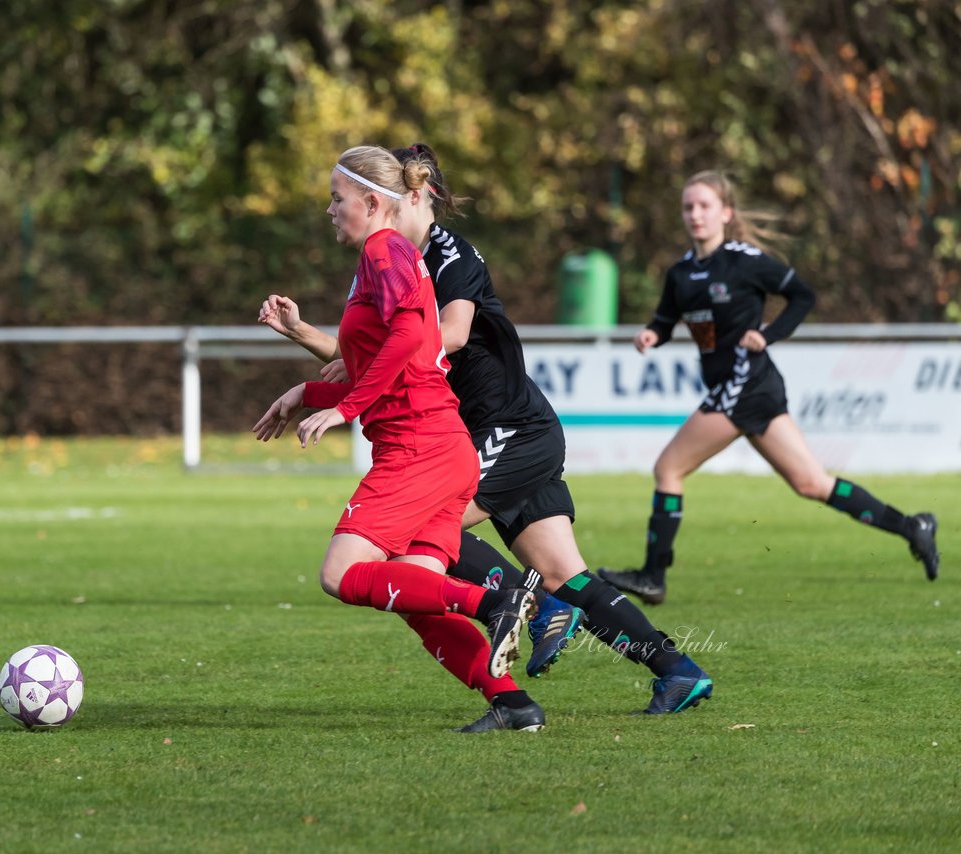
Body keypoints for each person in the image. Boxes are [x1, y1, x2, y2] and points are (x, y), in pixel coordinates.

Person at [260, 142, 714, 719]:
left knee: (410, 540)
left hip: (505, 427)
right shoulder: (390, 261)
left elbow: (441, 338)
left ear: (411, 195)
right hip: (475, 430)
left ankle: (518, 605)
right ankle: (675, 669)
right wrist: (307, 346)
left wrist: (350, 388)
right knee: (562, 574)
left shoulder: (449, 257)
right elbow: (372, 352)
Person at [253, 144, 543, 733]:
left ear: (370, 201)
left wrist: (345, 410)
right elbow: (390, 370)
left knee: (340, 574)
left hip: (420, 450)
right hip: (443, 446)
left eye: (337, 199)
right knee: (417, 596)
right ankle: (514, 705)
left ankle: (494, 603)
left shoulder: (385, 250)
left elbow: (412, 334)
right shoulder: (385, 257)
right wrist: (309, 394)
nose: (330, 210)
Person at [599, 170, 940, 605]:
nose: (695, 214)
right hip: (746, 390)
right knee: (812, 483)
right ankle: (913, 527)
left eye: (704, 206)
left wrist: (769, 334)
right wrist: (652, 335)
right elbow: (666, 320)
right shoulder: (682, 273)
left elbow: (802, 296)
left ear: (726, 212)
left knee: (668, 469)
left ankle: (653, 576)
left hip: (745, 385)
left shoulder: (745, 260)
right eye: (688, 207)